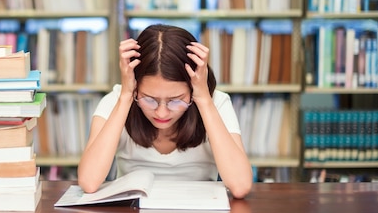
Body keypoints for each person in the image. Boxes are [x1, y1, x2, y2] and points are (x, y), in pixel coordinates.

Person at [77, 24, 252, 199]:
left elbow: (240, 186)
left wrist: (203, 99)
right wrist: (126, 96)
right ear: (135, 87)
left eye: (175, 100)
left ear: (192, 90)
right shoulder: (117, 101)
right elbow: (89, 182)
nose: (161, 113)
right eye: (149, 99)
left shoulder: (215, 103)